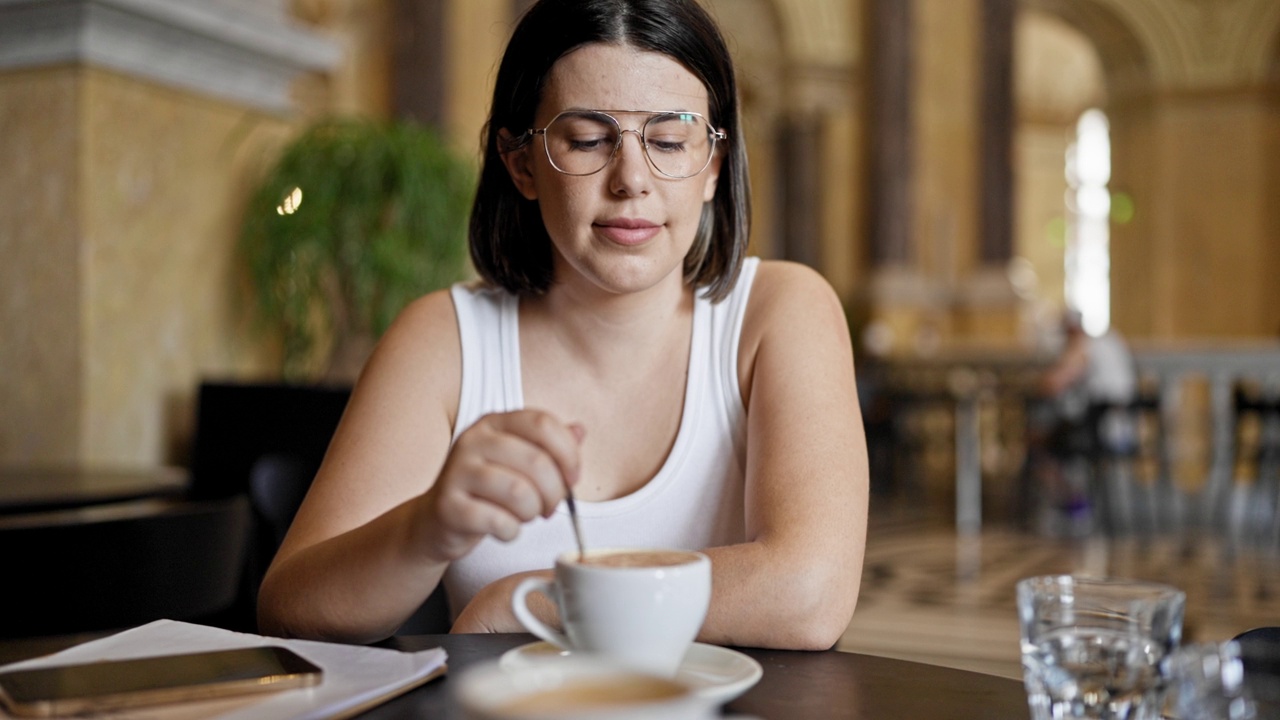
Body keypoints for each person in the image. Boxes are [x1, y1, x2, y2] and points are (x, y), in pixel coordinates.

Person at [257, 0, 869, 651]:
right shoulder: (443, 340)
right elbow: (290, 609)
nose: (632, 179)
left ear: (714, 166)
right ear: (520, 164)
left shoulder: (780, 311)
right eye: (587, 140)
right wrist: (425, 529)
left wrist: (534, 602)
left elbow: (810, 591)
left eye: (669, 140)